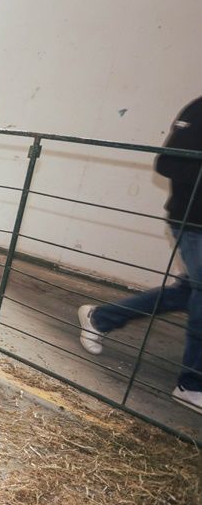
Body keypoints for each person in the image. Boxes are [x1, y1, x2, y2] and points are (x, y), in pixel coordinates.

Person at [78, 96, 202, 413]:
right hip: (193, 222)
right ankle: (192, 384)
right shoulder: (198, 109)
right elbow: (167, 162)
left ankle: (100, 318)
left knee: (188, 294)